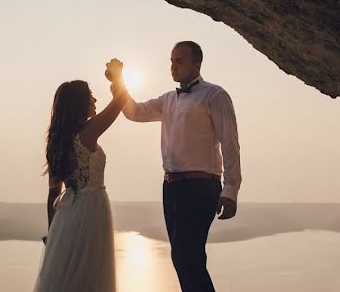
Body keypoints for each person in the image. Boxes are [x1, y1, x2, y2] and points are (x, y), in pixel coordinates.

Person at [110, 42, 241, 292]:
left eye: (179, 61)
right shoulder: (168, 99)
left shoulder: (215, 95)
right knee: (184, 258)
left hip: (201, 186)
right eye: (171, 61)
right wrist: (118, 82)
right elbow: (134, 112)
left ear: (196, 64)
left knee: (186, 257)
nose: (173, 66)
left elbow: (230, 142)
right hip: (171, 187)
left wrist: (231, 189)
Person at [33, 78, 127, 292]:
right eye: (90, 95)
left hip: (67, 215)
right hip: (91, 209)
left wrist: (53, 234)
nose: (94, 99)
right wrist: (117, 75)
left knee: (68, 273)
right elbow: (120, 100)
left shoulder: (58, 140)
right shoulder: (87, 132)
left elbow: (53, 194)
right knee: (91, 274)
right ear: (78, 103)